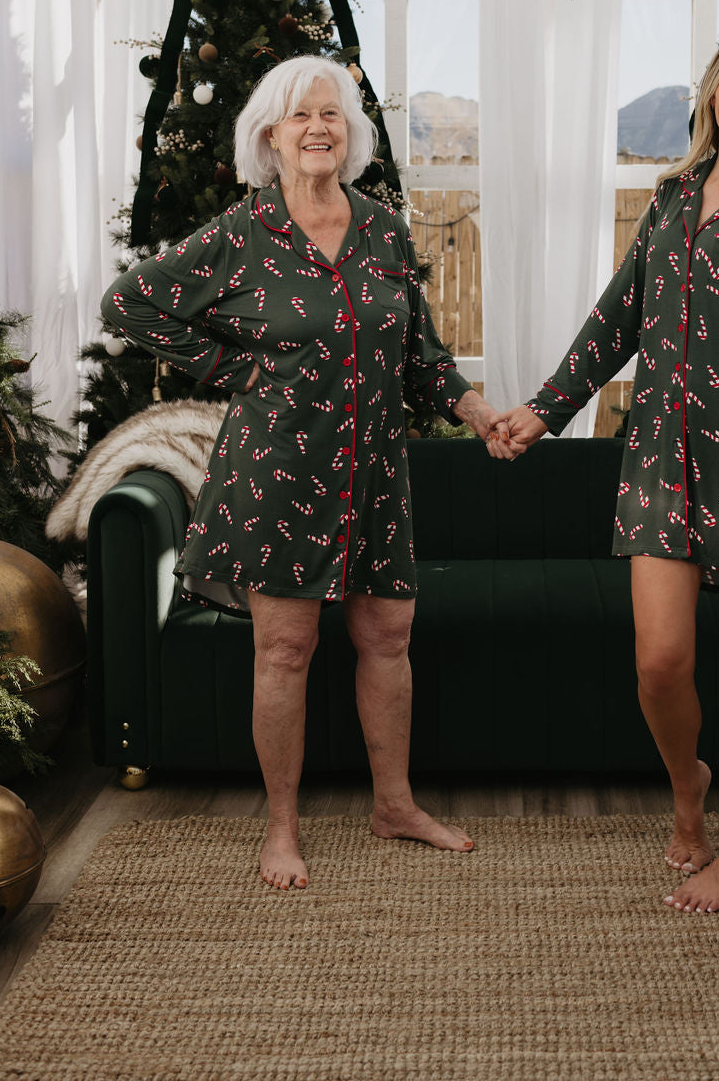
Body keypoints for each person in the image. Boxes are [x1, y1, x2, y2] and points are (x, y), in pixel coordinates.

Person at [103, 55, 505, 888]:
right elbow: (128, 302)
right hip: (277, 471)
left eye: (332, 115)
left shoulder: (385, 229)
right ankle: (280, 828)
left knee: (386, 636)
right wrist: (231, 368)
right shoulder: (241, 232)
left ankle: (393, 802)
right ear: (270, 135)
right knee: (284, 648)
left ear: (349, 133)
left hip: (375, 476)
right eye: (300, 117)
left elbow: (421, 355)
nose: (318, 128)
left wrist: (477, 412)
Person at [488, 26, 719, 913]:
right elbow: (617, 321)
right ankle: (691, 786)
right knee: (659, 662)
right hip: (660, 459)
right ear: (711, 92)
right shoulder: (673, 198)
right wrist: (544, 410)